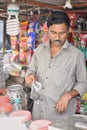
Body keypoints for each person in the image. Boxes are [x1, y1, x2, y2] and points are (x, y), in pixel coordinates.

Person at [25, 11, 87, 122]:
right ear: (47, 30)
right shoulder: (39, 50)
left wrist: (68, 95)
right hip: (37, 116)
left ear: (68, 30)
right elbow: (31, 70)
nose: (57, 37)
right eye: (53, 33)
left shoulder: (76, 55)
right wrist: (30, 75)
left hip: (60, 118)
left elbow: (83, 83)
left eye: (62, 33)